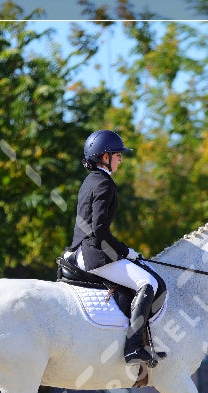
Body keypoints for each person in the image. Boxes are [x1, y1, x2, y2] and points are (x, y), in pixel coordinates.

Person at [67, 130, 164, 366]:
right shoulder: (104, 184)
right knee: (148, 283)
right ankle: (133, 347)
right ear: (104, 157)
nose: (121, 159)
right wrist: (125, 251)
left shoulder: (89, 181)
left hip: (80, 249)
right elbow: (99, 230)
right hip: (95, 253)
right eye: (117, 155)